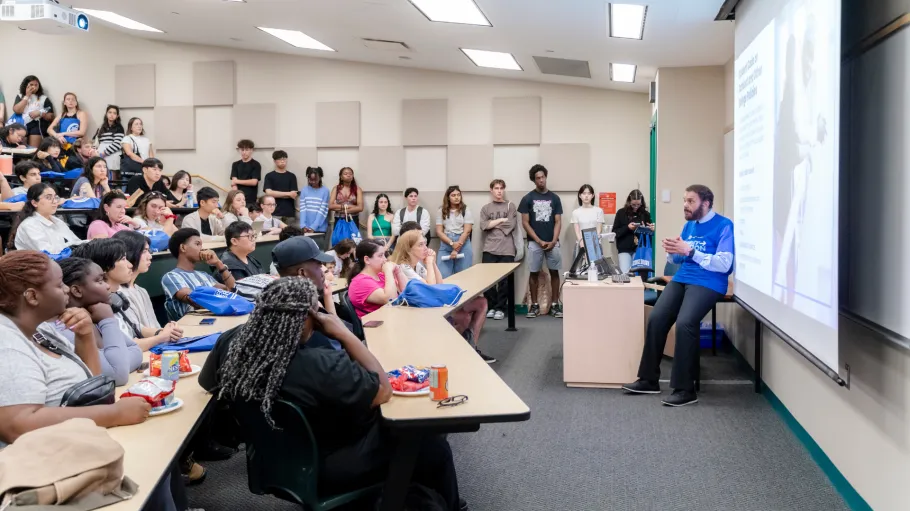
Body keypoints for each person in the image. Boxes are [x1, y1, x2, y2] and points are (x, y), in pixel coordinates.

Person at [206, 278, 463, 510]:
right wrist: (343, 332)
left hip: (271, 459)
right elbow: (383, 390)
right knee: (430, 443)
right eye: (316, 309)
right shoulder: (319, 365)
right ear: (309, 315)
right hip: (327, 465)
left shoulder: (231, 342)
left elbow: (207, 383)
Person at [0, 251, 151, 447]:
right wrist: (115, 413)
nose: (66, 290)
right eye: (59, 284)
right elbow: (17, 424)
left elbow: (91, 385)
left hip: (79, 446)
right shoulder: (7, 342)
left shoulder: (42, 329)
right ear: (32, 296)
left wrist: (85, 335)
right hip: (46, 465)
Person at [623, 185, 734, 407]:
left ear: (706, 203)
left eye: (691, 201)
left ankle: (685, 389)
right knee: (656, 319)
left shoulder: (724, 225)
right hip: (683, 278)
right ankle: (648, 380)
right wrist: (672, 252)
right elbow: (679, 260)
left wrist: (691, 251)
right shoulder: (689, 226)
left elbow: (725, 264)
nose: (685, 205)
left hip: (709, 282)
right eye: (684, 200)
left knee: (685, 323)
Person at [391, 230, 494, 363]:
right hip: (416, 313)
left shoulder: (417, 265)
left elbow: (439, 283)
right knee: (463, 317)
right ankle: (458, 352)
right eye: (421, 245)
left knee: (481, 302)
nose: (426, 248)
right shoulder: (404, 267)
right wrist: (429, 262)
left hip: (428, 307)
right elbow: (432, 289)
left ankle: (469, 348)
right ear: (409, 249)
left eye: (425, 244)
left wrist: (432, 263)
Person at [41, 255, 141, 386]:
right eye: (100, 281)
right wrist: (108, 320)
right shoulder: (63, 327)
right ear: (77, 291)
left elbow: (135, 349)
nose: (107, 286)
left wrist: (115, 362)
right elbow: (118, 375)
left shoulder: (95, 317)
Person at [112, 230, 183, 349]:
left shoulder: (141, 290)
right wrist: (161, 335)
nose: (150, 256)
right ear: (129, 253)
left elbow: (146, 327)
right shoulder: (117, 295)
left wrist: (166, 331)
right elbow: (133, 336)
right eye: (144, 251)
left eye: (149, 251)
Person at [162, 228, 237, 321]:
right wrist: (224, 300)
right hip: (190, 330)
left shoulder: (204, 275)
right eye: (197, 244)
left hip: (218, 322)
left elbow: (233, 291)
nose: (202, 249)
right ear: (183, 248)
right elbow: (195, 300)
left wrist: (219, 264)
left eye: (201, 245)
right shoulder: (171, 276)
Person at [518, 164, 563, 319]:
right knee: (534, 274)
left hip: (553, 243)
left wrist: (553, 240)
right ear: (534, 180)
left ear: (546, 177)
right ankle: (534, 306)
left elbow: (558, 221)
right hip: (534, 243)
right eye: (538, 178)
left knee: (554, 273)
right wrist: (538, 240)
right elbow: (525, 222)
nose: (541, 180)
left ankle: (555, 305)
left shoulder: (555, 198)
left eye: (543, 177)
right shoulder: (527, 198)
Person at [271, 235, 345, 328]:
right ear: (302, 273)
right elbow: (338, 332)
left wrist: (327, 296)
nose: (323, 272)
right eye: (319, 266)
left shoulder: (297, 300)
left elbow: (334, 326)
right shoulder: (304, 313)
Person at [480, 179, 518, 320]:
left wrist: (492, 224)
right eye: (496, 188)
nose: (499, 191)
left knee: (505, 282)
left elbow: (510, 225)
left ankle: (500, 308)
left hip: (507, 249)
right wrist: (501, 220)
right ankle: (491, 306)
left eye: (501, 188)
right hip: (489, 248)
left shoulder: (510, 206)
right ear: (491, 190)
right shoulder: (486, 208)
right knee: (488, 280)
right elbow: (483, 226)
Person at [10, 183, 85, 253]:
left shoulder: (58, 221)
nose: (54, 201)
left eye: (55, 197)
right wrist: (72, 247)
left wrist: (92, 242)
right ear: (34, 203)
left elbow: (76, 242)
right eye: (48, 198)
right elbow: (47, 252)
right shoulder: (29, 225)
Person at [347, 239, 400, 318]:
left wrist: (399, 272)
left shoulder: (381, 275)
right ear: (367, 259)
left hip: (390, 319)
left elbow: (406, 292)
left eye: (384, 255)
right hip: (376, 326)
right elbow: (391, 300)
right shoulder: (361, 282)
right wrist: (388, 271)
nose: (385, 259)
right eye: (380, 255)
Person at [436, 185, 475, 278]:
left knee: (463, 276)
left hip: (463, 243)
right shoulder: (441, 211)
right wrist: (451, 243)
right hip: (446, 243)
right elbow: (439, 231)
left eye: (458, 195)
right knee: (443, 276)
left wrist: (456, 248)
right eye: (453, 195)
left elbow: (467, 231)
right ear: (448, 198)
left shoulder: (465, 210)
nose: (456, 197)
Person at [612, 189, 654, 273]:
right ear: (629, 202)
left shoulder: (645, 214)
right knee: (625, 273)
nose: (636, 207)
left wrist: (649, 229)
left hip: (640, 249)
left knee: (639, 275)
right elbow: (615, 233)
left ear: (642, 203)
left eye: (638, 204)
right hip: (624, 249)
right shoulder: (621, 213)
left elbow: (649, 236)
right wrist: (627, 228)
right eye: (633, 204)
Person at [13, 76, 54, 148]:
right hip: (22, 124)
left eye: (36, 85)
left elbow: (51, 116)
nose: (34, 87)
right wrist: (27, 96)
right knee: (21, 150)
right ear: (26, 85)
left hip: (37, 125)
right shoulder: (20, 96)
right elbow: (17, 110)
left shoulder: (43, 98)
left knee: (32, 150)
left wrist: (40, 113)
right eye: (31, 84)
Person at [263, 150, 298, 225]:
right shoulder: (269, 176)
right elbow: (269, 193)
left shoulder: (292, 176)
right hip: (274, 213)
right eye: (279, 159)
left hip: (289, 214)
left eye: (284, 159)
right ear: (274, 161)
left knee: (290, 235)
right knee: (274, 235)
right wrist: (288, 194)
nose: (282, 161)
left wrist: (276, 194)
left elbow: (294, 194)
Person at [571, 184, 604, 253]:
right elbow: (577, 231)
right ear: (580, 195)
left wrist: (592, 244)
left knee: (596, 264)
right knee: (580, 264)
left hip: (595, 244)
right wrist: (582, 244)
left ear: (593, 195)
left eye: (589, 193)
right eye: (584, 193)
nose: (586, 196)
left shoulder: (599, 211)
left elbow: (599, 230)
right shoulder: (575, 212)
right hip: (581, 245)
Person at [299, 166, 329, 242]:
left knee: (319, 250)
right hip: (306, 228)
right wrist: (303, 225)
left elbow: (323, 210)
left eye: (315, 180)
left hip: (320, 228)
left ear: (320, 177)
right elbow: (303, 209)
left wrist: (313, 227)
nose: (312, 182)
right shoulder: (304, 190)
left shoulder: (325, 191)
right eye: (310, 179)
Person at [94, 105, 124, 180]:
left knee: (111, 177)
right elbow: (96, 141)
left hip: (113, 154)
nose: (111, 115)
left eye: (114, 113)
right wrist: (94, 151)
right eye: (110, 112)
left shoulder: (119, 128)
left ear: (117, 116)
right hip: (100, 152)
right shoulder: (101, 127)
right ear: (106, 114)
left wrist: (104, 153)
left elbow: (117, 144)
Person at [230, 139, 261, 205]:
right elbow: (234, 183)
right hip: (237, 199)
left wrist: (236, 181)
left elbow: (254, 182)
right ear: (239, 150)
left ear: (251, 150)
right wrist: (237, 197)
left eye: (247, 150)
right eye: (242, 150)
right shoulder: (235, 164)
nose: (244, 152)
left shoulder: (256, 164)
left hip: (250, 199)